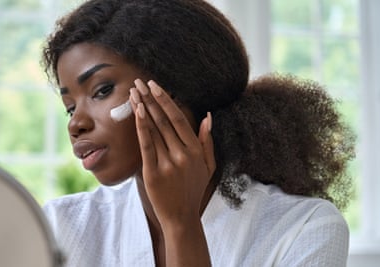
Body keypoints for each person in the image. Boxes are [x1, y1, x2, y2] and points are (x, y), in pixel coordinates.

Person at [41, 0, 355, 266]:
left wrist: (181, 225)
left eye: (101, 90)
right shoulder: (59, 227)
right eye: (70, 107)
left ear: (176, 87)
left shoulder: (305, 228)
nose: (75, 124)